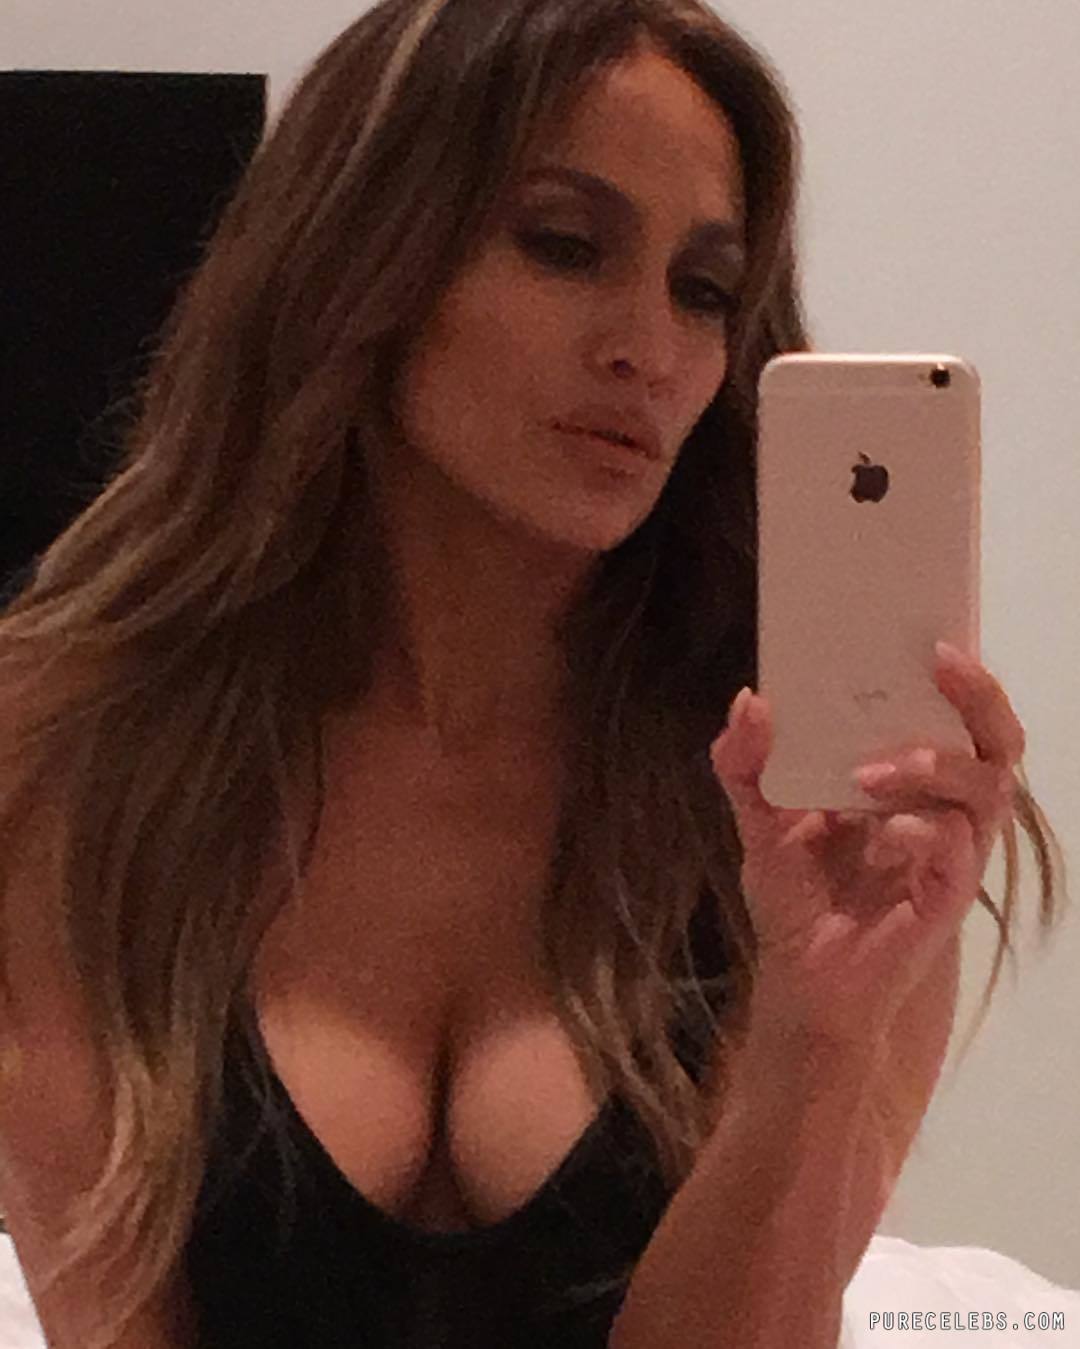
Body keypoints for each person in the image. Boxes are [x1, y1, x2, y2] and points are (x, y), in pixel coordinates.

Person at [0, 2, 1066, 1348]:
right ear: (362, 257)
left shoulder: (809, 792)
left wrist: (819, 1030)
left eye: (705, 290)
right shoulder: (73, 747)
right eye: (565, 245)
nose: (651, 350)